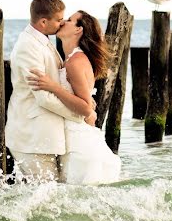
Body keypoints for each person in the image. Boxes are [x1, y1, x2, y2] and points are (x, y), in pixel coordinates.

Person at [5, 0, 96, 182]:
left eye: (65, 20)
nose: (62, 23)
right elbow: (44, 97)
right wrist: (81, 115)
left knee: (54, 198)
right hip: (32, 136)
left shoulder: (44, 41)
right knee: (43, 198)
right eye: (59, 20)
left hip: (49, 136)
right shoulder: (28, 46)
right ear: (44, 22)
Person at [28, 10, 122, 185]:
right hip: (72, 137)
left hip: (78, 142)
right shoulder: (72, 59)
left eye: (70, 20)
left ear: (78, 30)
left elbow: (86, 108)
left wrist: (53, 87)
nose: (63, 21)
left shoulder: (75, 62)